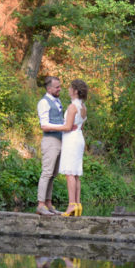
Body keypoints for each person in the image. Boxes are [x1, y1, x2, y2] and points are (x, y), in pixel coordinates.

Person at [36, 76, 73, 216]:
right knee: (46, 173)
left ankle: (48, 203)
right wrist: (63, 127)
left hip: (59, 140)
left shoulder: (57, 101)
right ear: (49, 88)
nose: (60, 89)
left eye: (59, 86)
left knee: (53, 174)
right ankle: (40, 205)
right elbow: (44, 125)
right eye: (57, 87)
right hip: (50, 141)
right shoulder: (43, 103)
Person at [58, 80, 88, 217]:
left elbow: (68, 127)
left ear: (75, 91)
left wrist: (50, 126)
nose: (68, 89)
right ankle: (77, 204)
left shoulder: (72, 107)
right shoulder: (83, 107)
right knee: (75, 173)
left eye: (70, 88)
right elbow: (80, 125)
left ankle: (71, 205)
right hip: (79, 138)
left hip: (71, 139)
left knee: (70, 172)